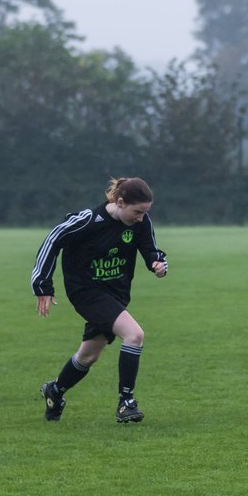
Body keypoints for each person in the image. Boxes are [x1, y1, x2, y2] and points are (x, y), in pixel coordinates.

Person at [32, 177, 168, 424]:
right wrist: (42, 284)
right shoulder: (87, 220)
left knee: (88, 356)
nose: (141, 217)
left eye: (145, 212)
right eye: (137, 211)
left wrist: (157, 263)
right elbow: (53, 240)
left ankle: (55, 391)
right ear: (119, 202)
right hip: (86, 292)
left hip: (116, 293)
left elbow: (150, 249)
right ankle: (126, 403)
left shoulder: (140, 221)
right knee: (134, 335)